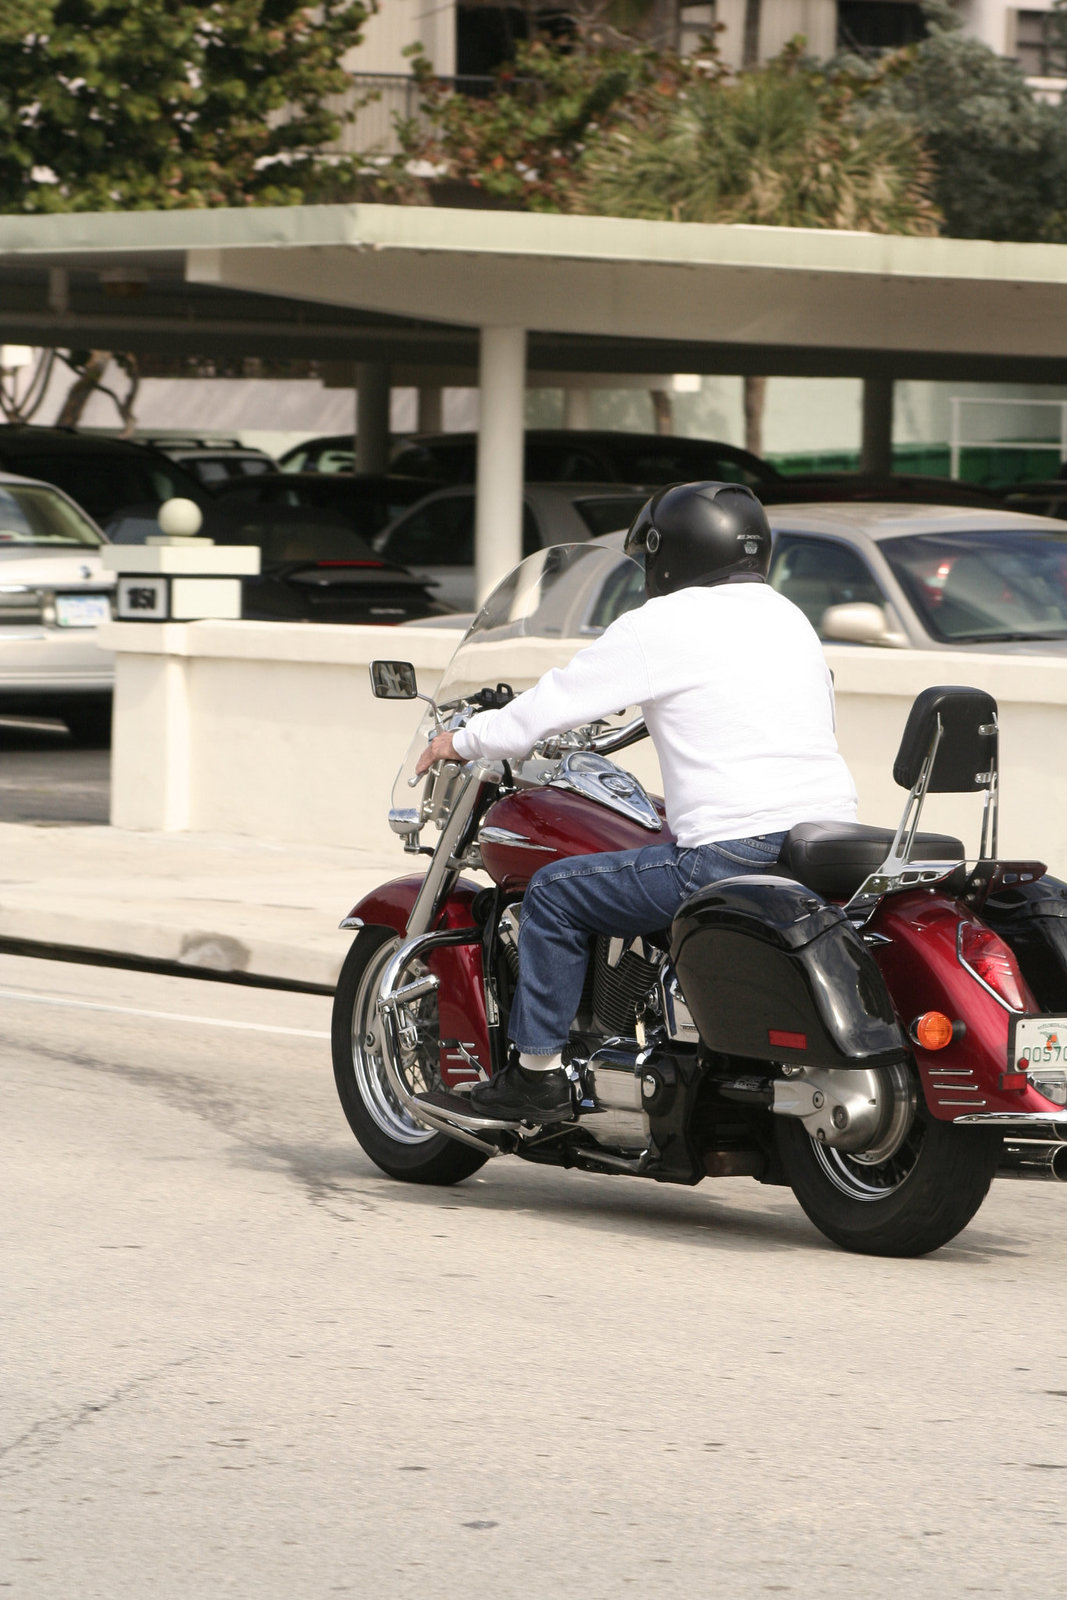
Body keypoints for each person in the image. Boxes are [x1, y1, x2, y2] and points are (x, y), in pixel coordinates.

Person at [414, 481, 858, 1124]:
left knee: (554, 895)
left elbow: (547, 706)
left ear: (666, 552)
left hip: (732, 853)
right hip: (823, 839)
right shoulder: (787, 617)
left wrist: (462, 738)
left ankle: (536, 1074)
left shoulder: (661, 625)